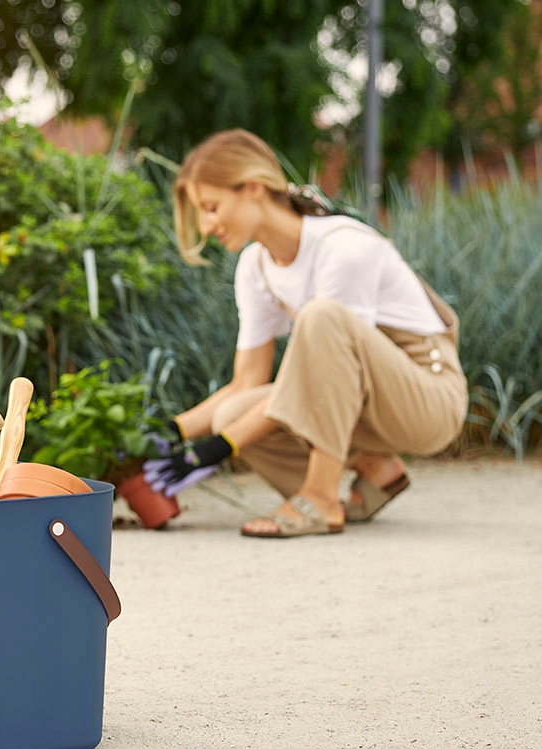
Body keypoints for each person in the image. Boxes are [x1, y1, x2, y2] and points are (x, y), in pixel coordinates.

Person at [142, 129, 467, 537]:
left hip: (427, 399)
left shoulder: (342, 247)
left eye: (211, 208)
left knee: (320, 318)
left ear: (253, 189)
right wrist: (171, 432)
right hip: (363, 402)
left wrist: (220, 447)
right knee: (233, 412)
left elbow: (326, 373)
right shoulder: (256, 266)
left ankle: (320, 498)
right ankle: (375, 468)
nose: (206, 226)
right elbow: (247, 382)